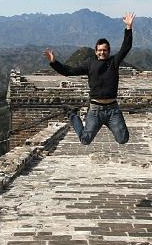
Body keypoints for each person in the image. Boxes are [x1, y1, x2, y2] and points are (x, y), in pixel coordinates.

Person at [43, 12, 135, 145]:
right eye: (99, 50)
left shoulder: (114, 62)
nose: (102, 52)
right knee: (85, 140)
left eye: (104, 50)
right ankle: (72, 115)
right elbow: (69, 71)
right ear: (96, 51)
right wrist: (54, 62)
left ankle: (78, 115)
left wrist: (129, 27)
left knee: (123, 139)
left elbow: (126, 47)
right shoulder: (90, 65)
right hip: (95, 109)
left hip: (113, 109)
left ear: (108, 51)